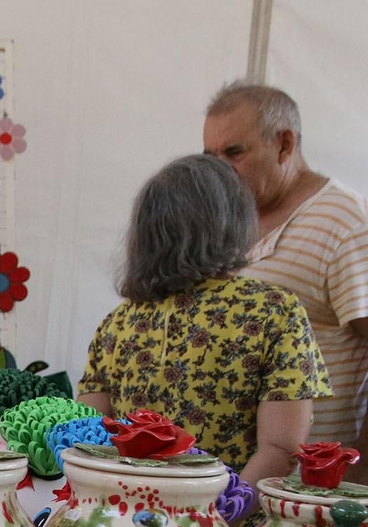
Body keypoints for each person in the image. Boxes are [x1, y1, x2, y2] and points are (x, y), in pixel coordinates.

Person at [204, 81, 368, 487]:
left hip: (306, 492)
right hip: (229, 482)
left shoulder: (347, 223)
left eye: (234, 152)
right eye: (211, 155)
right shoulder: (229, 219)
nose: (220, 168)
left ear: (285, 145)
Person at [77, 153, 330, 485]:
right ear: (234, 221)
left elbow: (89, 445)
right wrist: (215, 514)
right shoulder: (274, 311)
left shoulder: (116, 325)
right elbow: (281, 450)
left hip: (129, 523)